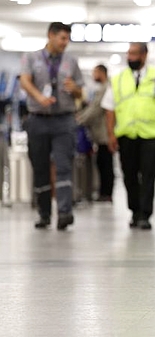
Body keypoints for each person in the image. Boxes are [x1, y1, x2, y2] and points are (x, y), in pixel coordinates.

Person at [101, 42, 155, 230]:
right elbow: (109, 109)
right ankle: (134, 211)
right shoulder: (118, 79)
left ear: (144, 55)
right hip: (127, 135)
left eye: (134, 54)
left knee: (149, 174)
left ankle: (144, 214)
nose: (130, 58)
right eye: (129, 54)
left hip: (152, 135)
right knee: (129, 175)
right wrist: (110, 134)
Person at [20, 22, 84, 230]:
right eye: (62, 38)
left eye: (67, 39)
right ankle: (44, 213)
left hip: (63, 120)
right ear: (51, 36)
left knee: (64, 165)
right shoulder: (31, 58)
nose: (65, 43)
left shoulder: (71, 61)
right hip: (38, 118)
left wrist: (74, 88)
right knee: (40, 167)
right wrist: (40, 98)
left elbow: (80, 93)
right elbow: (25, 81)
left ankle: (65, 212)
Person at [76, 64, 114, 203]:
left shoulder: (106, 88)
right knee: (102, 162)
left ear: (101, 73)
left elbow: (96, 109)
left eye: (95, 72)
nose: (93, 76)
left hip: (105, 133)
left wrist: (79, 120)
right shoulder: (103, 88)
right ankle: (104, 192)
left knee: (105, 163)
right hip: (100, 133)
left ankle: (106, 193)